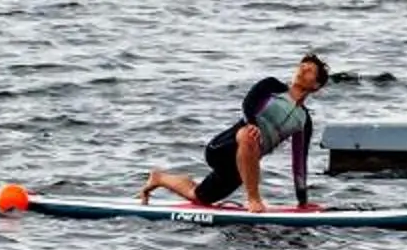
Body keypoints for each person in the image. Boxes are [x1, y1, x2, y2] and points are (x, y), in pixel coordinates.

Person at [140, 54, 330, 210]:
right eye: (302, 65)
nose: (303, 68)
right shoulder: (271, 86)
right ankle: (254, 200)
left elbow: (299, 163)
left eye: (310, 69)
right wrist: (252, 123)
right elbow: (248, 102)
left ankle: (159, 177)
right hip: (222, 149)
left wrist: (302, 203)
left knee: (200, 198)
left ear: (316, 86)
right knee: (249, 134)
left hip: (242, 168)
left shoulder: (304, 121)